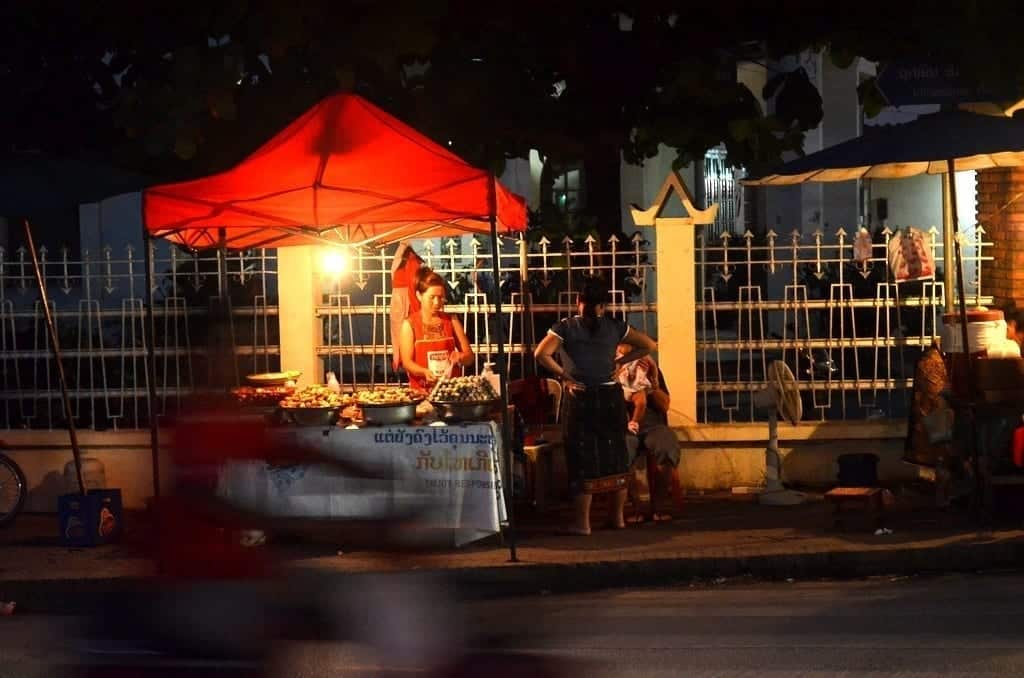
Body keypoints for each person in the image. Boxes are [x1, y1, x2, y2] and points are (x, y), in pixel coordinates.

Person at [534, 277, 657, 535]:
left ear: (579, 301)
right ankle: (618, 517)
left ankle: (583, 523)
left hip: (581, 397)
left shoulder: (566, 327)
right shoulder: (614, 327)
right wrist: (622, 362)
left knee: (582, 458)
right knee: (615, 455)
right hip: (610, 397)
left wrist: (564, 376)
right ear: (604, 305)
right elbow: (648, 345)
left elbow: (541, 354)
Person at [616, 345, 681, 522]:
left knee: (666, 446)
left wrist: (652, 384)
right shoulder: (610, 371)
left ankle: (658, 506)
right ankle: (636, 506)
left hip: (654, 426)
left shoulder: (650, 368)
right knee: (622, 450)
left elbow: (665, 405)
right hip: (623, 427)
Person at [399, 267, 474, 391]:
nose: (437, 302)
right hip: (422, 392)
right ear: (419, 296)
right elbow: (407, 363)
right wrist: (423, 372)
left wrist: (460, 357)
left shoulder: (451, 320)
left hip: (451, 391)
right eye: (432, 297)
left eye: (440, 297)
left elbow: (470, 357)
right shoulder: (410, 324)